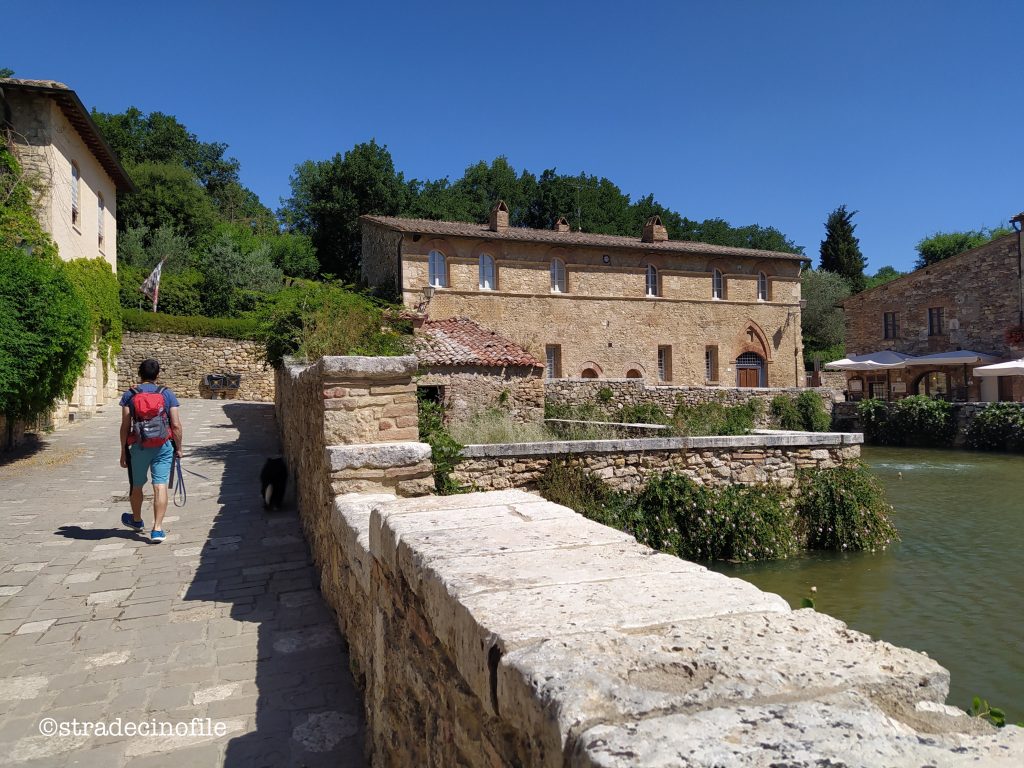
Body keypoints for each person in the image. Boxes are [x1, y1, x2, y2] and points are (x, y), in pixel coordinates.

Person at [119, 358, 183, 543]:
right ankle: (157, 529)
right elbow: (176, 425)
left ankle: (137, 520)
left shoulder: (130, 395)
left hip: (138, 446)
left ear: (140, 374)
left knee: (137, 485)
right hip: (163, 446)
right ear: (158, 375)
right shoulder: (167, 394)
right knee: (160, 484)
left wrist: (124, 450)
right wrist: (178, 448)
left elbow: (125, 426)